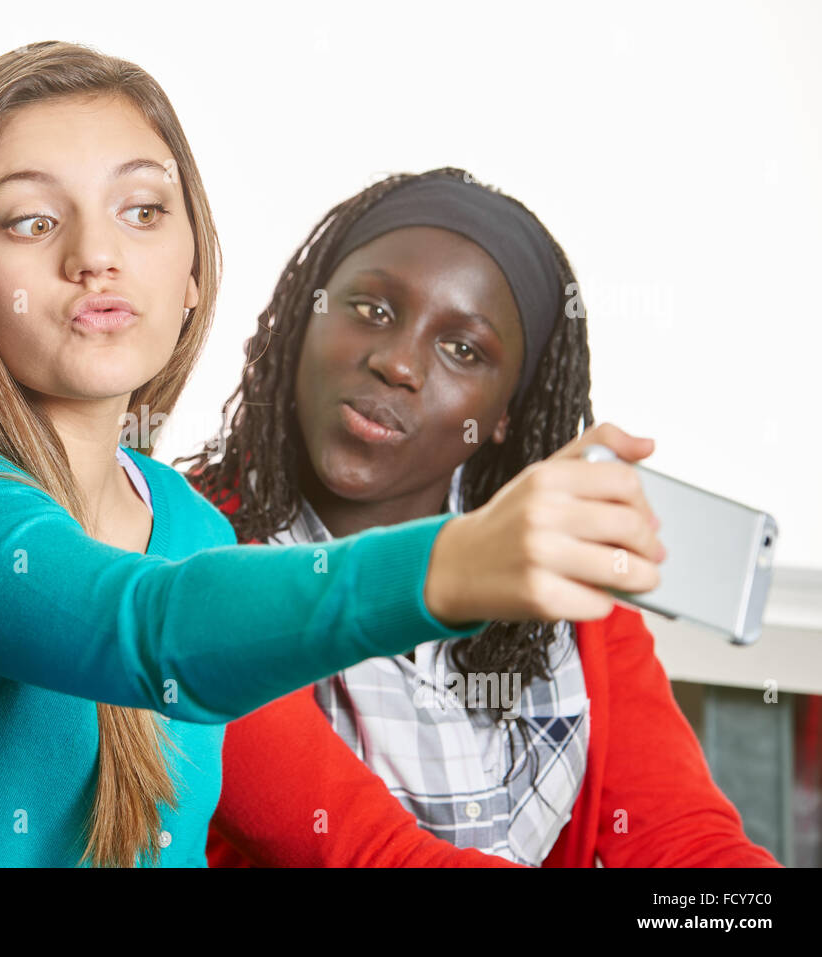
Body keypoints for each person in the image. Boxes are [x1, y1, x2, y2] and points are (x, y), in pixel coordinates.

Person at [0, 43, 665, 867]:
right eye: (31, 220)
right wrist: (453, 565)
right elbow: (150, 630)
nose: (94, 254)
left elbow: (369, 849)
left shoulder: (186, 523)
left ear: (193, 272)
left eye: (144, 210)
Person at [182, 168, 778, 867]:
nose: (396, 363)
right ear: (304, 316)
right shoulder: (183, 549)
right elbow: (366, 853)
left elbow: (685, 844)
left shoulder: (569, 605)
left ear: (503, 417)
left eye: (463, 349)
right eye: (371, 308)